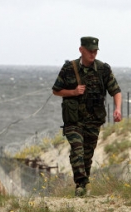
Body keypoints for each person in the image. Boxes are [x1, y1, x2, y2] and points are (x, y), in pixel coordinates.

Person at [52, 36, 122, 196]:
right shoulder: (69, 68)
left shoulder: (103, 69)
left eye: (95, 51)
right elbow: (56, 90)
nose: (93, 54)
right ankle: (81, 185)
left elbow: (116, 91)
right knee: (77, 149)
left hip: (93, 120)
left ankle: (83, 185)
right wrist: (73, 92)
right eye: (89, 51)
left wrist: (118, 109)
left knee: (87, 155)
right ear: (81, 50)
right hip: (73, 120)